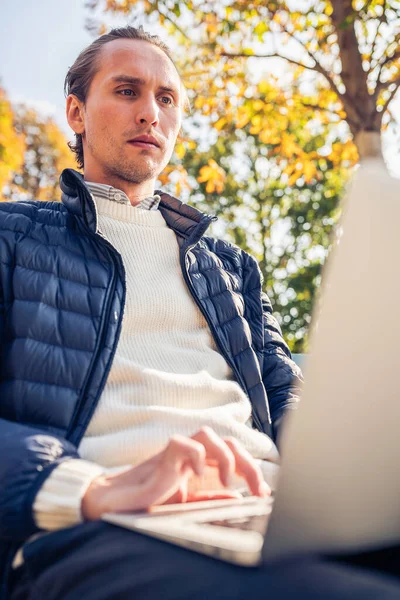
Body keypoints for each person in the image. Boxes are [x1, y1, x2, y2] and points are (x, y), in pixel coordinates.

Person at [1, 26, 400, 600]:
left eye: (167, 99)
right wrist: (82, 488)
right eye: (127, 91)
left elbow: (290, 400)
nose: (150, 113)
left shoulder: (229, 267)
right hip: (100, 526)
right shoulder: (11, 237)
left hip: (269, 516)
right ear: (76, 112)